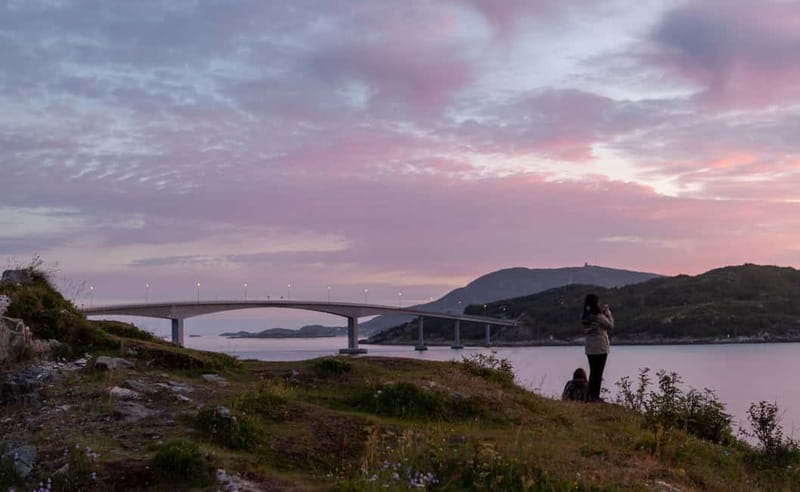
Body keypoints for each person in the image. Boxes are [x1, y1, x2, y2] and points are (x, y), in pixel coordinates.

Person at [582, 293, 614, 402]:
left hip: (590, 348)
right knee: (598, 373)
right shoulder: (599, 317)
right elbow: (610, 325)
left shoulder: (585, 318)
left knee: (592, 372)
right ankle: (595, 397)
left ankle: (590, 396)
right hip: (600, 347)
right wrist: (608, 314)